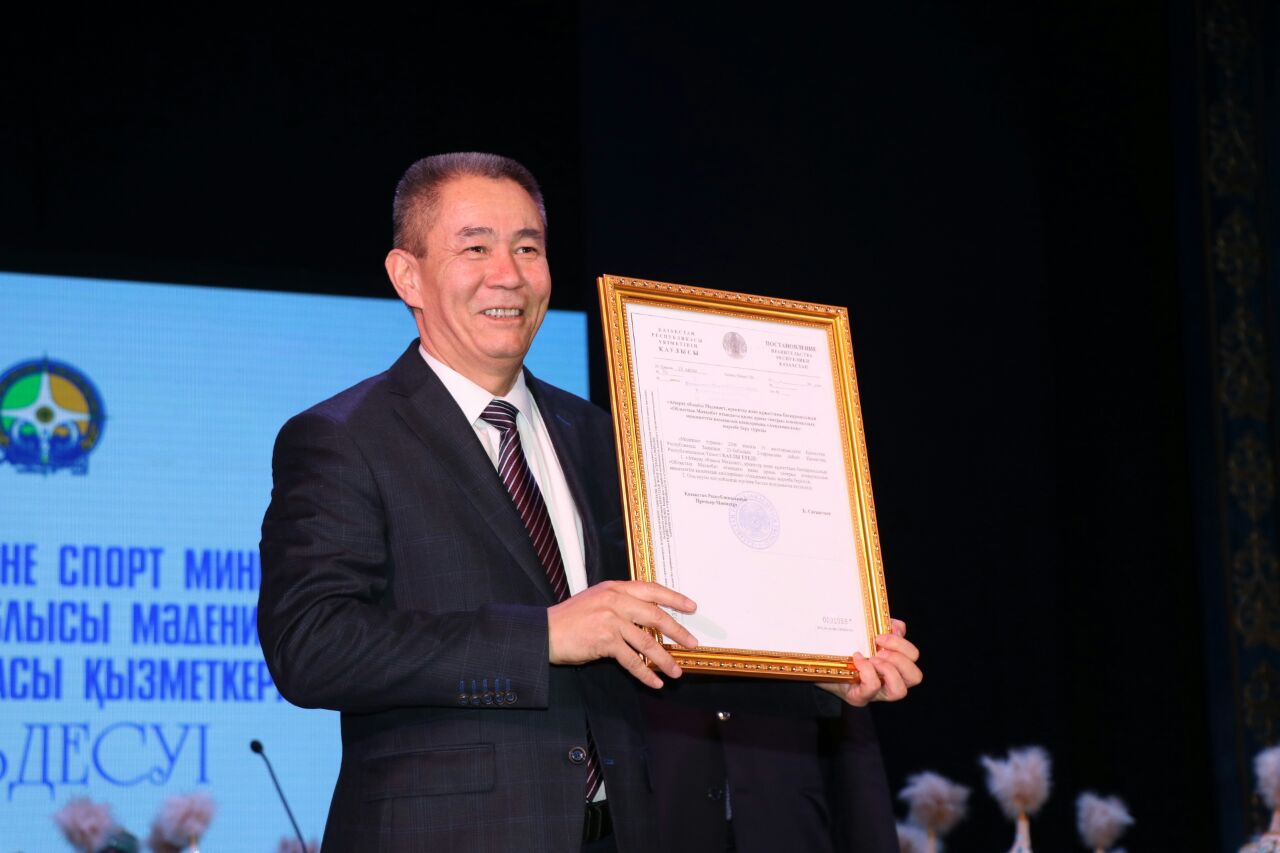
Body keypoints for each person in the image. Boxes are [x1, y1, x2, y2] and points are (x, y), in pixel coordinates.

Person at [258, 151, 920, 853]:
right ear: (408, 275)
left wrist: (825, 673)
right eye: (475, 247)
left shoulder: (601, 432)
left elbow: (661, 639)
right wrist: (544, 636)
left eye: (528, 248)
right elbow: (312, 645)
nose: (508, 274)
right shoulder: (343, 437)